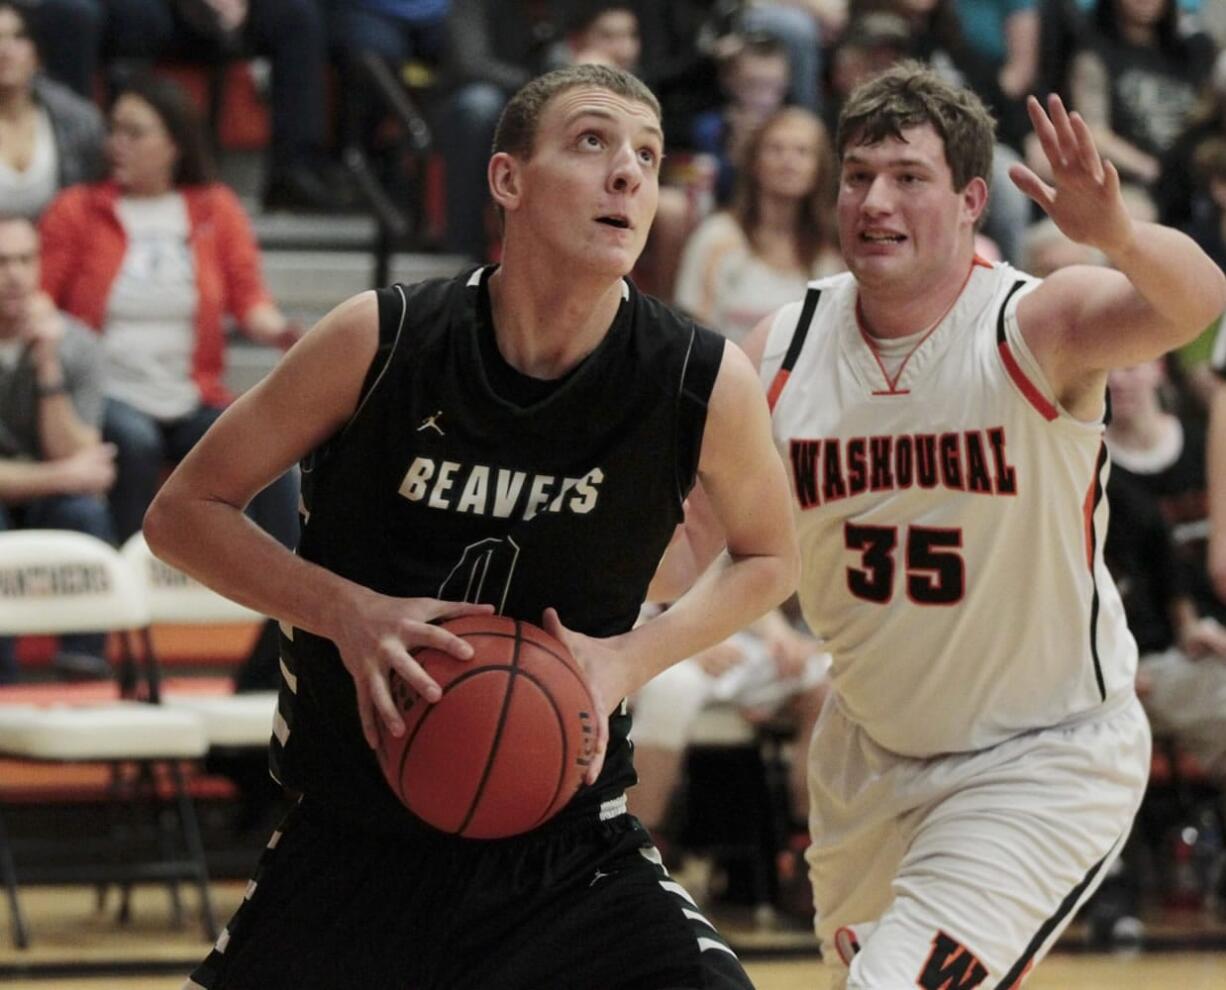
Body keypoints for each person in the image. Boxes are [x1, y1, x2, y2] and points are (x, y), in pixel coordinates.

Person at [145, 63, 799, 989]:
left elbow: (771, 556)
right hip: (355, 840)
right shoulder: (382, 338)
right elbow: (182, 514)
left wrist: (629, 660)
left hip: (569, 849)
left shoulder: (696, 376)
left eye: (648, 156)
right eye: (592, 142)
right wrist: (348, 612)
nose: (629, 174)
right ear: (507, 180)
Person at [737, 60, 1226, 986]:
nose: (874, 200)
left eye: (908, 177)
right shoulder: (782, 347)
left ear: (970, 201)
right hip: (868, 757)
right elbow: (698, 547)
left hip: (1040, 758)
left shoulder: (1034, 328)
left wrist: (1114, 232)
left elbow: (1199, 303)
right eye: (857, 176)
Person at [38, 73, 300, 547]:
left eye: (135, 133)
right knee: (134, 441)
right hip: (109, 390)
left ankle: (285, 610)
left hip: (189, 390)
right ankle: (127, 579)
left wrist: (283, 332)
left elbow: (249, 300)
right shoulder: (78, 209)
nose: (118, 144)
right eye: (114, 130)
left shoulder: (213, 208)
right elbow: (43, 299)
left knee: (272, 451)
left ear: (174, 143)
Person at [0, 214, 115, 683]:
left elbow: (78, 447)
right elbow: (77, 467)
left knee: (84, 515)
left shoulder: (77, 344)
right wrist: (66, 475)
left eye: (25, 260)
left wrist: (48, 366)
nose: (14, 274)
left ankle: (85, 667)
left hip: (41, 491)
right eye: (2, 261)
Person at [675, 106, 843, 344]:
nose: (788, 160)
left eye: (802, 151)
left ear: (820, 168)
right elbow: (693, 338)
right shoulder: (716, 237)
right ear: (754, 162)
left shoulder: (835, 248)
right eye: (776, 149)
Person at [0, 1, 105, 221]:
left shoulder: (79, 120)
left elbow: (93, 205)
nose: (5, 50)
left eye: (18, 37)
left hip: (60, 249)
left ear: (36, 55)